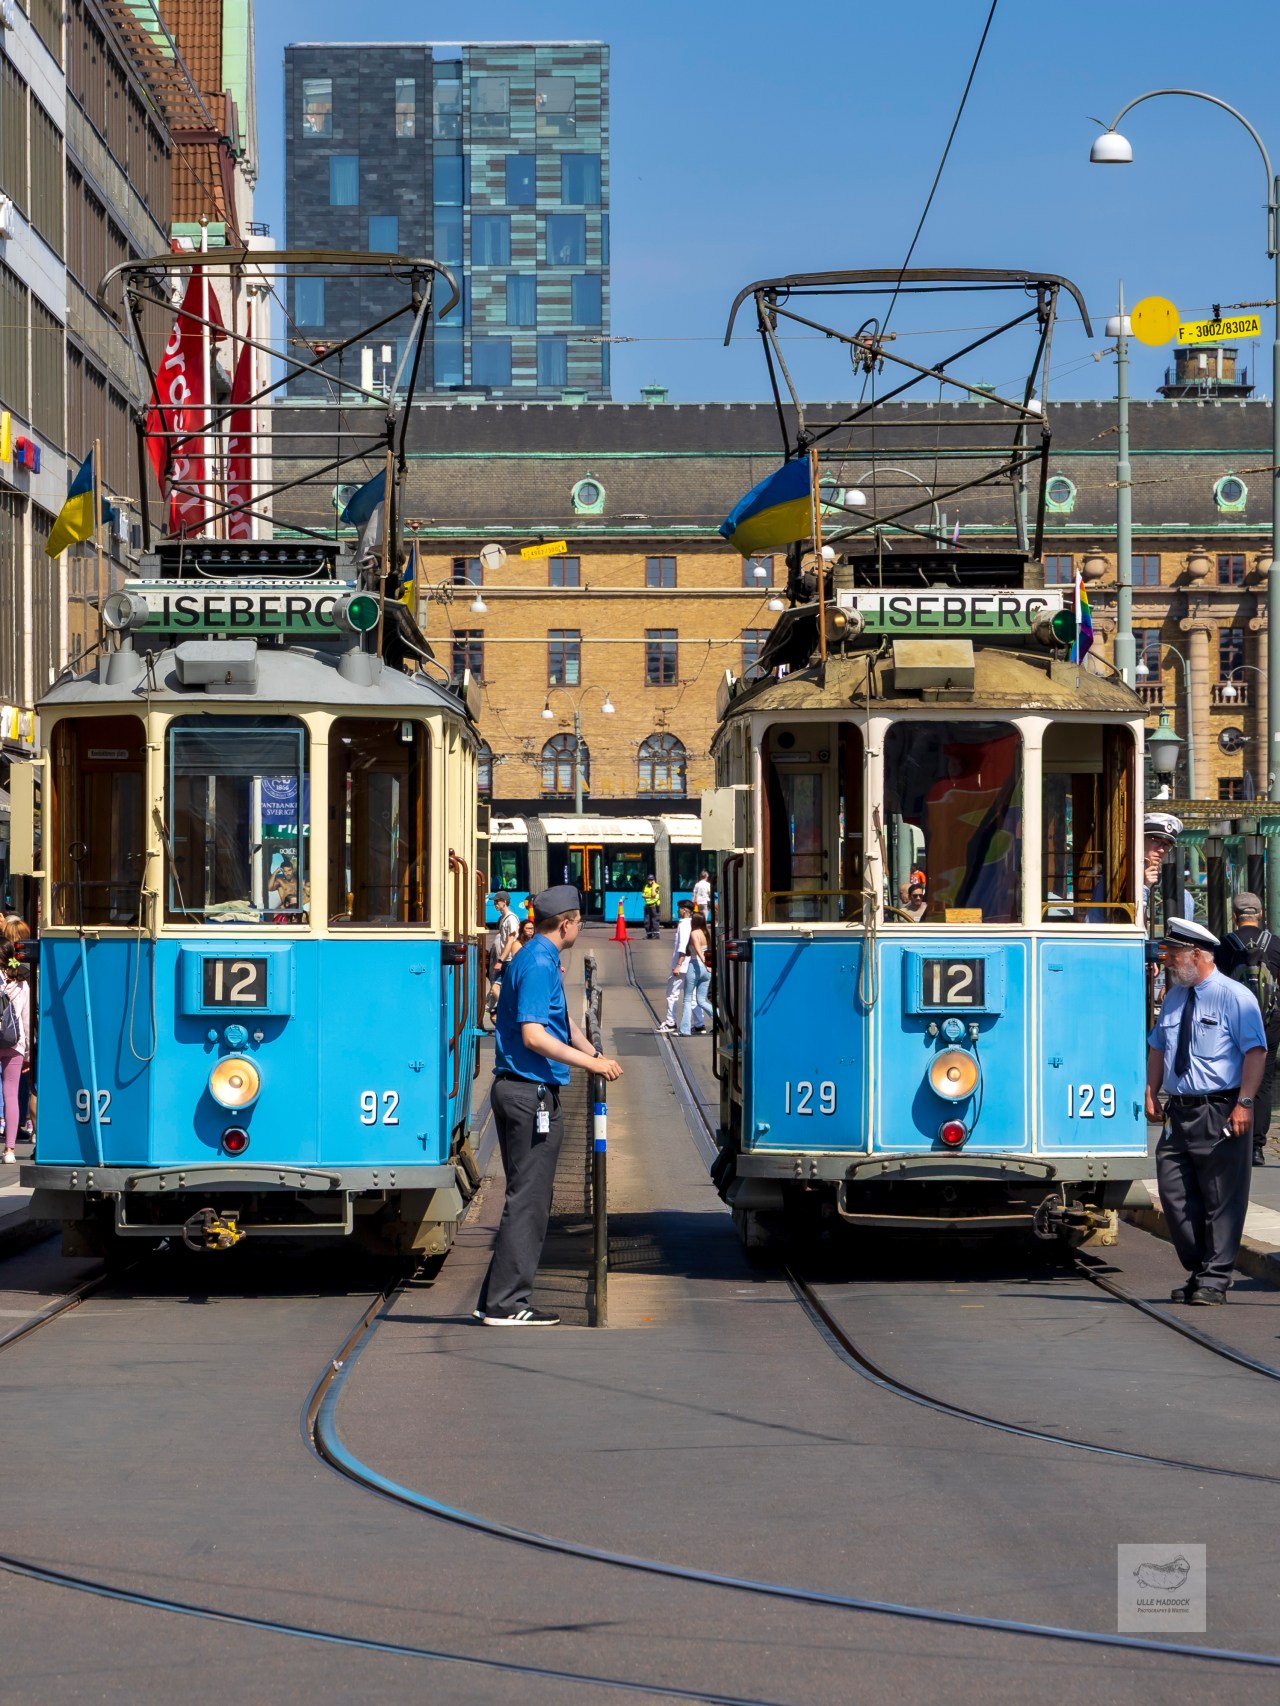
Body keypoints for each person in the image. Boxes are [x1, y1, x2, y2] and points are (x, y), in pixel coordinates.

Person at [476, 885, 623, 1326]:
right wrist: (590, 1065)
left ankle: (495, 1298)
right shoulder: (540, 963)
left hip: (521, 1091)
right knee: (529, 1201)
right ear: (566, 924)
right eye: (579, 922)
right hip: (530, 1094)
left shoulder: (534, 956)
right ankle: (506, 1304)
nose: (580, 928)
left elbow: (562, 1022)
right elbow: (535, 1035)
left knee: (527, 1197)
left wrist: (595, 1053)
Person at [1145, 916, 1267, 1305]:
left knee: (1221, 1199)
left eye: (1172, 953)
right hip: (1179, 1111)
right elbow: (1158, 1046)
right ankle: (1201, 1268)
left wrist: (1244, 1102)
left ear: (1196, 954)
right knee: (1175, 1194)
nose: (1166, 960)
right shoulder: (1175, 996)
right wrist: (1150, 1090)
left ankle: (1213, 1278)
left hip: (1221, 1108)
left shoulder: (1234, 996)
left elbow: (1256, 1052)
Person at [1214, 891, 1280, 1167]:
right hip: (1269, 1021)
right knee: (1263, 1081)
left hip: (1233, 1021)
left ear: (1234, 916)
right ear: (1260, 914)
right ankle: (1256, 1148)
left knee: (1232, 1077)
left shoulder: (1224, 945)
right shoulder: (1274, 943)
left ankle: (1233, 1138)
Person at [0, 949, 31, 1164]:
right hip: (15, 1043)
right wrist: (28, 1052)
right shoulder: (22, 983)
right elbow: (26, 1020)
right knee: (11, 1094)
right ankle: (10, 1150)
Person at [1142, 812, 1194, 926]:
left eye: (1166, 845)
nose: (1161, 850)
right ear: (1141, 839)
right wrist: (1144, 888)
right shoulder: (1119, 876)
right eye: (1155, 841)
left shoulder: (1184, 896)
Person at [484, 892, 521, 1032]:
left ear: (504, 902)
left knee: (502, 989)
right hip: (505, 960)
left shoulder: (511, 919)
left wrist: (500, 960)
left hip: (509, 960)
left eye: (497, 901)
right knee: (496, 988)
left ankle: (511, 1012)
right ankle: (508, 1011)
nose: (495, 904)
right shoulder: (504, 918)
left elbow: (511, 941)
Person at [657, 900, 694, 1034]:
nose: (677, 910)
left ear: (684, 910)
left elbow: (682, 947)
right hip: (690, 964)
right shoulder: (692, 923)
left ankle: (670, 1022)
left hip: (681, 965)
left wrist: (678, 965)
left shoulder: (684, 925)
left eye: (679, 908)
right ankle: (699, 1024)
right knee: (692, 995)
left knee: (672, 994)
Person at [679, 911, 714, 1037]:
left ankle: (685, 1029)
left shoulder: (694, 933)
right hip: (707, 970)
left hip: (695, 966)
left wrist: (704, 962)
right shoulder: (706, 933)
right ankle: (720, 1019)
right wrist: (709, 966)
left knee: (687, 999)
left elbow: (698, 950)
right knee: (701, 1000)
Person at [642, 873, 661, 939]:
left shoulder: (656, 886)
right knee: (647, 921)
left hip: (654, 906)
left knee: (654, 921)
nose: (650, 881)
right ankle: (649, 934)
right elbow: (643, 895)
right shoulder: (645, 886)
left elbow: (653, 895)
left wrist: (653, 886)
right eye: (649, 880)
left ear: (654, 880)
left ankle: (656, 935)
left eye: (651, 880)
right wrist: (649, 896)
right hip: (647, 906)